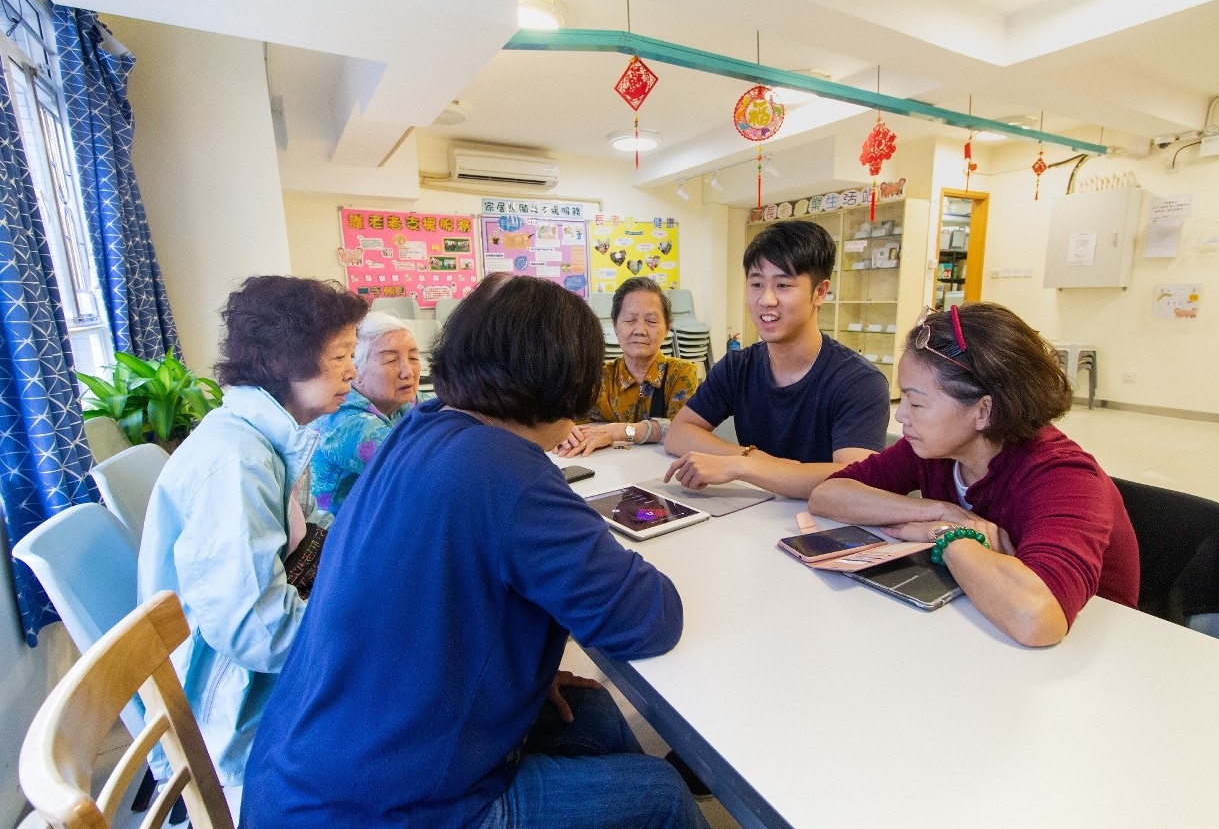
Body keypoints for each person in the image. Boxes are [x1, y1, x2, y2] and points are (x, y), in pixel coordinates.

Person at [241, 275, 707, 829]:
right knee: (659, 792)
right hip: (385, 809)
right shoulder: (506, 472)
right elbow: (648, 618)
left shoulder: (419, 427)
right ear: (563, 384)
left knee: (595, 714)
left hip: (305, 769)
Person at [137, 276, 368, 812]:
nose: (352, 372)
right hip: (231, 715)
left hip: (249, 680)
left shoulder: (264, 438)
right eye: (338, 357)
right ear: (286, 361)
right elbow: (255, 630)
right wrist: (365, 645)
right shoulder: (237, 463)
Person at [808, 302, 1140, 647]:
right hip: (988, 627)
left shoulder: (1063, 477)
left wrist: (947, 534)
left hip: (1090, 657)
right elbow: (828, 495)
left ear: (984, 410)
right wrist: (937, 510)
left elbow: (1037, 619)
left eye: (916, 403)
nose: (901, 416)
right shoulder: (936, 448)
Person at [664, 219, 890, 498]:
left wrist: (740, 467)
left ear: (820, 292)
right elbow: (679, 433)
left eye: (783, 285)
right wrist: (753, 458)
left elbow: (853, 479)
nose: (766, 300)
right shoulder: (737, 367)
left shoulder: (859, 382)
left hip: (821, 526)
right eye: (756, 283)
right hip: (752, 516)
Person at [557, 276, 699, 458]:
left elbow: (684, 432)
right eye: (630, 320)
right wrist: (566, 431)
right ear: (615, 325)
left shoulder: (681, 374)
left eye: (652, 321)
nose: (640, 330)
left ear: (667, 328)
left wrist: (619, 431)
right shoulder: (599, 377)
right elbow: (569, 421)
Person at [310, 311, 421, 516]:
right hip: (335, 536)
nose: (408, 371)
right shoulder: (343, 420)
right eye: (390, 361)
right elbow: (419, 467)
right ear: (356, 369)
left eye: (413, 357)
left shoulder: (402, 400)